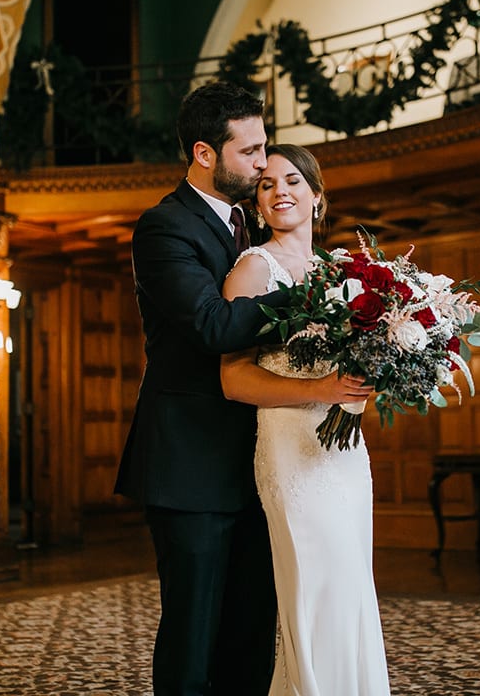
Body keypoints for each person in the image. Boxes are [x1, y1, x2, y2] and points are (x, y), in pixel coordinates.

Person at [115, 82, 359, 695]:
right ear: (204, 153)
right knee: (194, 636)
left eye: (265, 149)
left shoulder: (248, 230)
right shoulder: (164, 228)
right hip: (191, 465)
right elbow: (212, 326)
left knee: (253, 630)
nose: (261, 165)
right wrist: (314, 293)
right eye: (250, 152)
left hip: (263, 460)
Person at [220, 143, 390, 696]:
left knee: (350, 585)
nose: (279, 191)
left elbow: (362, 360)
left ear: (317, 197)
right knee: (311, 587)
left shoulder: (344, 274)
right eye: (266, 185)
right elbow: (232, 379)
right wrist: (317, 388)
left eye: (292, 181)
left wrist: (370, 381)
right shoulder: (252, 269)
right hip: (291, 451)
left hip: (342, 456)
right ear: (258, 205)